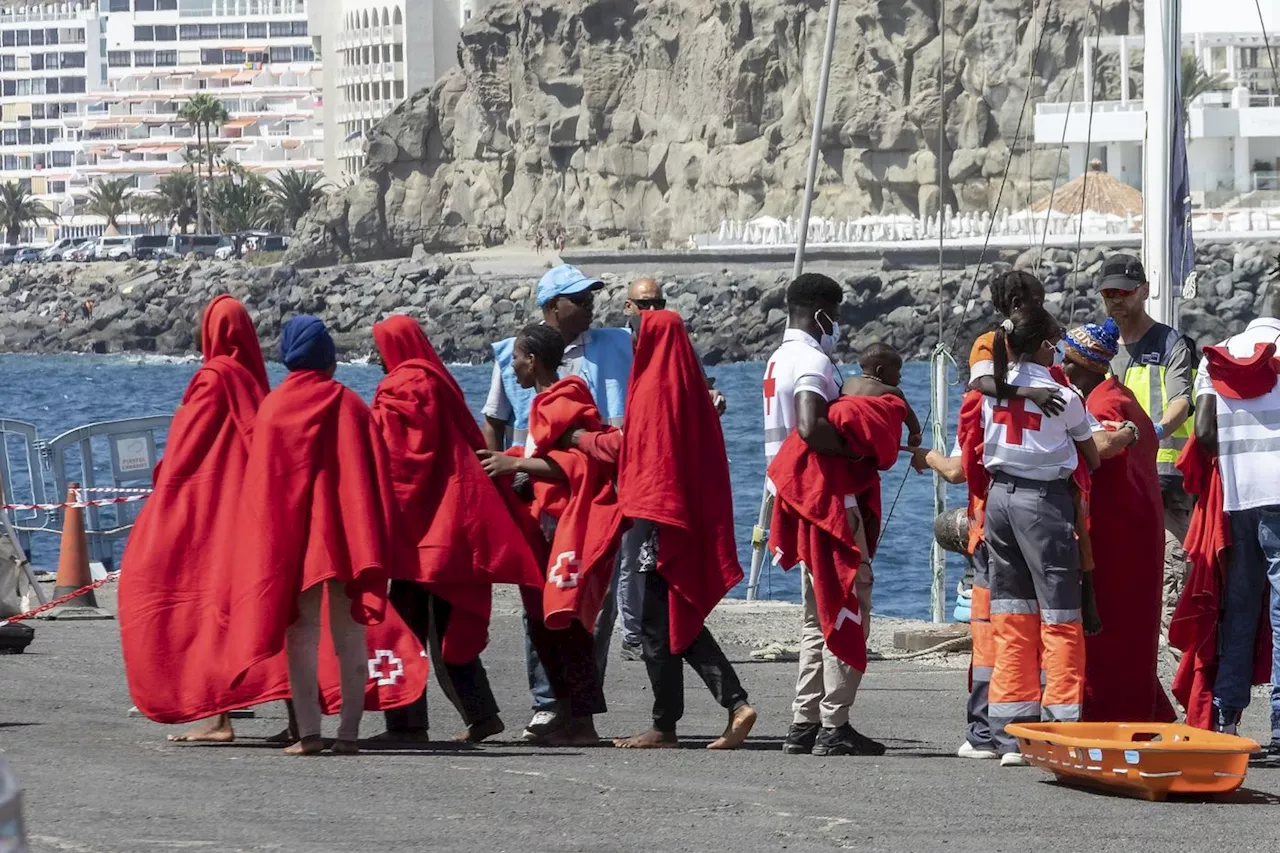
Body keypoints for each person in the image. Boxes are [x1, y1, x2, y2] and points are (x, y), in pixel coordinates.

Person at [226, 315, 426, 756]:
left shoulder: (275, 409)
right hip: (349, 540)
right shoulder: (351, 405)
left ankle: (310, 734)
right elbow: (373, 476)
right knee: (350, 634)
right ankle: (349, 734)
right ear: (330, 360)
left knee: (300, 637)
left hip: (296, 542)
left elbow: (266, 490)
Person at [570, 310, 755, 749]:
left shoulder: (654, 387)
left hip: (661, 523)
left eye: (638, 335)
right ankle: (722, 707)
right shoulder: (692, 386)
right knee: (675, 619)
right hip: (688, 519)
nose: (633, 342)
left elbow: (635, 449)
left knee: (658, 626)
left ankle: (678, 721)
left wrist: (582, 440)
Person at [119, 296, 296, 744]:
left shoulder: (213, 378)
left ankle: (219, 719)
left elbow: (184, 449)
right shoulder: (257, 384)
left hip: (210, 517)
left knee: (206, 610)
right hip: (254, 513)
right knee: (270, 610)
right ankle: (300, 718)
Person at [369, 316, 543, 744]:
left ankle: (407, 725)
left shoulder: (401, 387)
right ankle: (480, 713)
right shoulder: (440, 383)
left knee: (404, 628)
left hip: (423, 533)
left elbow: (398, 460)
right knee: (446, 628)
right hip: (452, 527)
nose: (376, 356)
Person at [482, 265, 633, 738]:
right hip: (540, 513)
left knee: (579, 610)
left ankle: (579, 712)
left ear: (534, 361)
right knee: (545, 610)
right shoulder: (514, 358)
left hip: (579, 511)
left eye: (589, 299)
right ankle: (553, 706)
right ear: (552, 307)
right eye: (579, 299)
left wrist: (516, 466)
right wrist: (504, 468)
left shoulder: (604, 357)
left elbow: (574, 458)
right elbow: (497, 419)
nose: (589, 306)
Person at [763, 273, 890, 757]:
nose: (836, 324)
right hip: (825, 499)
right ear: (821, 314)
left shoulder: (778, 358)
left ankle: (804, 720)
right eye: (834, 315)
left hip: (790, 499)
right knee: (848, 605)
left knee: (816, 616)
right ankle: (835, 723)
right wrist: (858, 455)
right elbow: (812, 425)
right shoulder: (813, 360)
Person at [981, 305, 1100, 766]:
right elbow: (1093, 457)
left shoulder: (995, 385)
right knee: (1061, 617)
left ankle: (1010, 734)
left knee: (1012, 617)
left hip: (999, 501)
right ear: (1048, 345)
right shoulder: (1062, 395)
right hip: (1043, 503)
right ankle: (1059, 729)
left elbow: (984, 387)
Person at [1177, 281, 1280, 758]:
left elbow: (1202, 431)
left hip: (1238, 498)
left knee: (1240, 609)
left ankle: (1225, 716)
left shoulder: (1216, 356)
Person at [1061, 319, 1177, 723]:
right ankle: (1142, 705)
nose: (1063, 369)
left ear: (1088, 366)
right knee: (1133, 628)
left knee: (1107, 628)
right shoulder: (1122, 396)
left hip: (1115, 532)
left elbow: (1097, 453)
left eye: (1069, 361)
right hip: (1139, 528)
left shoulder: (1101, 405)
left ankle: (1109, 711)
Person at [1099, 253, 1197, 639]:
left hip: (1167, 474)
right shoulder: (1099, 345)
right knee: (1117, 568)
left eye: (1123, 292)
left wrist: (1150, 432)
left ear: (1144, 292)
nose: (1116, 299)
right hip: (1113, 472)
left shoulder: (1171, 342)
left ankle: (1176, 658)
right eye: (1109, 293)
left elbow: (1181, 401)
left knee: (1172, 570)